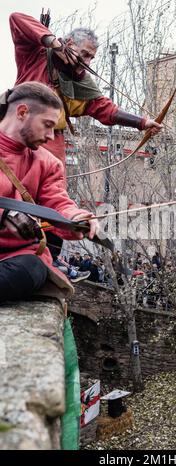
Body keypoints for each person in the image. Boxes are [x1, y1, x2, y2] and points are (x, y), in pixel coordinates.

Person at [9, 12, 163, 166]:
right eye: (84, 54)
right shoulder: (36, 56)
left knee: (53, 189)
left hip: (51, 145)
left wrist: (143, 123)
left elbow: (107, 110)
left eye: (91, 57)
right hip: (16, 140)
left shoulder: (82, 83)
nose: (88, 62)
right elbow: (17, 19)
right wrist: (55, 44)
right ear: (68, 44)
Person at [0, 81, 101, 301]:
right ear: (23, 112)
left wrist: (77, 218)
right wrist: (5, 215)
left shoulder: (49, 163)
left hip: (16, 257)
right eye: (47, 125)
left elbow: (57, 202)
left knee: (32, 269)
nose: (51, 136)